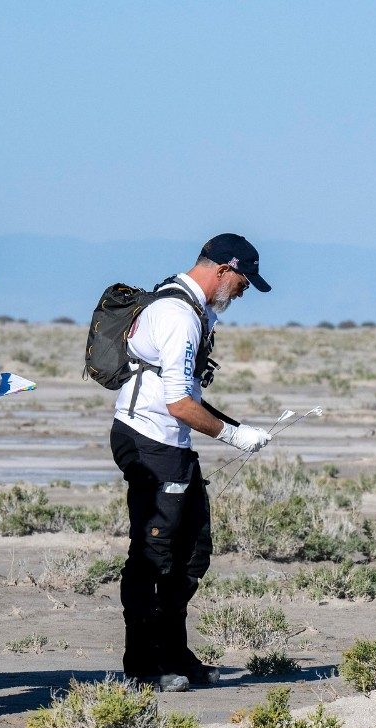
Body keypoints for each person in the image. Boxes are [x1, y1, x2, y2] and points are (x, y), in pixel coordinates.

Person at [110, 233, 275, 691]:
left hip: (171, 443)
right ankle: (143, 665)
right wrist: (232, 434)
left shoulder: (191, 308)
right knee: (154, 553)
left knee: (190, 552)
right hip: (150, 440)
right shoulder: (178, 315)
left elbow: (184, 399)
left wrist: (234, 427)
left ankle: (175, 654)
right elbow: (179, 403)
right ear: (223, 269)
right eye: (243, 281)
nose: (243, 291)